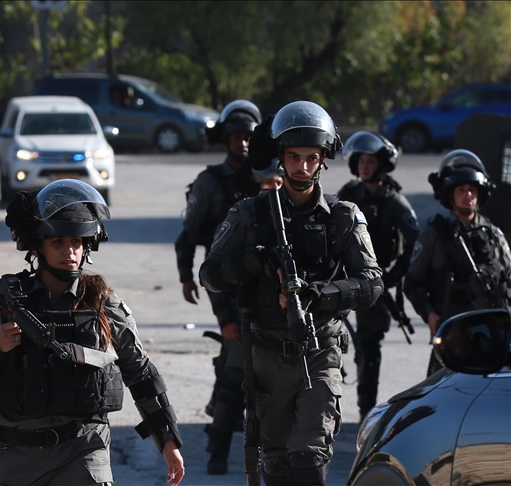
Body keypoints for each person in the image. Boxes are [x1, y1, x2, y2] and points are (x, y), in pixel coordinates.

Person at [199, 101, 383, 486]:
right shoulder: (249, 214)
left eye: (312, 158)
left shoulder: (344, 216)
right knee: (278, 469)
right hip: (265, 357)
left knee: (308, 463)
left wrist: (324, 294)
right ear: (280, 159)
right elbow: (210, 275)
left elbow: (371, 282)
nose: (302, 167)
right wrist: (254, 261)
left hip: (320, 353)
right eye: (294, 157)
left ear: (323, 160)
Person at [0, 179, 185, 486]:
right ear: (37, 246)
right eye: (58, 242)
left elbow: (141, 374)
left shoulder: (102, 303)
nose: (70, 252)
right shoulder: (6, 302)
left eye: (77, 242)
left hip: (84, 448)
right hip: (19, 453)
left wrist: (168, 440)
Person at [174, 99, 262, 475]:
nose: (242, 144)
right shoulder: (211, 183)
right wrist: (186, 276)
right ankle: (218, 451)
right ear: (224, 140)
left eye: (249, 137)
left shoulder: (271, 176)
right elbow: (188, 236)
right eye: (236, 137)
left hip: (270, 288)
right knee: (235, 373)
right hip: (225, 283)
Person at [403, 149, 511, 377]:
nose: (467, 195)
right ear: (450, 195)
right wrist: (430, 315)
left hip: (496, 336)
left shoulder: (494, 236)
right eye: (461, 190)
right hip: (454, 335)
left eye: (472, 190)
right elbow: (412, 283)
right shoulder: (435, 235)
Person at [336, 131, 420, 422]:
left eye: (371, 161)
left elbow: (416, 244)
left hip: (375, 288)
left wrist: (391, 278)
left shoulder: (394, 202)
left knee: (369, 350)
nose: (365, 166)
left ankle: (365, 412)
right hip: (344, 281)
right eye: (361, 160)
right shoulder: (348, 194)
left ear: (382, 164)